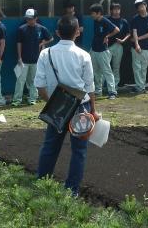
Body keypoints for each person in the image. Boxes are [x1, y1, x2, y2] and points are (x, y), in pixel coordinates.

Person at [35, 16, 100, 195]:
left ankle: (42, 184)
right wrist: (93, 111)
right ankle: (72, 191)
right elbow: (90, 87)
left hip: (57, 107)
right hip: (81, 107)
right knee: (79, 151)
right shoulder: (84, 55)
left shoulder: (45, 53)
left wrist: (52, 103)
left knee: (50, 146)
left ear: (57, 32)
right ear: (77, 32)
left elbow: (39, 86)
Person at [13, 9, 53, 106]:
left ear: (36, 18)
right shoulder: (21, 29)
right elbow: (19, 43)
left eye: (31, 19)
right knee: (20, 80)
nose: (29, 21)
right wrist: (19, 57)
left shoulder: (41, 28)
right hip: (24, 60)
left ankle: (32, 99)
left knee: (34, 80)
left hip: (36, 60)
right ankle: (17, 100)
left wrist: (43, 43)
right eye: (27, 19)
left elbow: (51, 38)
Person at [88, 4, 119, 99]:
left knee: (107, 71)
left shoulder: (105, 21)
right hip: (94, 49)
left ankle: (112, 92)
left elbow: (117, 29)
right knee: (96, 71)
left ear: (98, 13)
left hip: (103, 50)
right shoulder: (96, 21)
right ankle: (98, 91)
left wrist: (107, 36)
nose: (91, 15)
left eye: (93, 13)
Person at [130, 0, 148, 93]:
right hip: (135, 47)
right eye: (139, 7)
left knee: (144, 67)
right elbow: (134, 31)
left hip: (146, 46)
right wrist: (136, 44)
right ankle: (140, 87)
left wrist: (138, 39)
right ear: (137, 9)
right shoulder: (135, 19)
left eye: (142, 5)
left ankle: (142, 87)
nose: (141, 8)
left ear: (146, 5)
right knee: (136, 67)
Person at [106, 3, 130, 88]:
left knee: (116, 66)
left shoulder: (124, 21)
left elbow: (128, 33)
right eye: (114, 9)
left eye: (118, 9)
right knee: (106, 66)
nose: (116, 11)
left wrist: (123, 40)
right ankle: (103, 86)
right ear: (111, 10)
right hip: (107, 46)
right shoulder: (107, 20)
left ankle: (114, 85)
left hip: (119, 46)